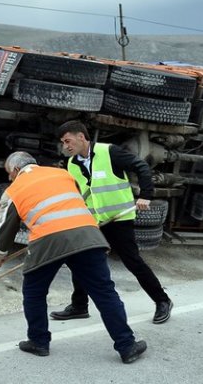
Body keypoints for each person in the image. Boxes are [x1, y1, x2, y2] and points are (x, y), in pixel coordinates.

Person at [0, 151, 147, 363]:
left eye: (9, 173)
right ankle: (127, 347)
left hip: (47, 241)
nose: (9, 178)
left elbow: (5, 228)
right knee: (105, 292)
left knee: (34, 292)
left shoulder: (14, 189)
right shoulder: (62, 174)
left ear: (16, 170)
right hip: (87, 235)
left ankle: (38, 342)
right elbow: (75, 202)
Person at [50, 120, 173, 324]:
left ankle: (162, 301)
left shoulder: (110, 152)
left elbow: (141, 167)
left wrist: (146, 195)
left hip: (119, 219)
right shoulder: (72, 164)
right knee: (81, 259)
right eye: (63, 143)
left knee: (132, 262)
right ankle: (79, 306)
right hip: (94, 222)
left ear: (81, 136)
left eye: (68, 141)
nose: (65, 146)